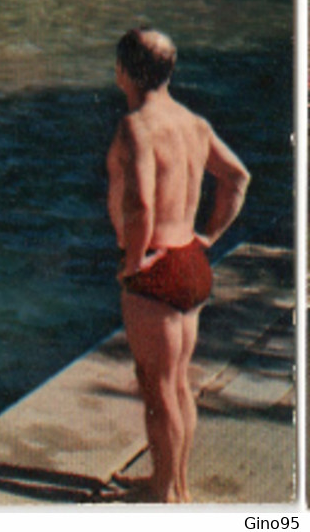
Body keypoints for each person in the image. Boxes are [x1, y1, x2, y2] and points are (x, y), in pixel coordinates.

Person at [105, 28, 250, 504]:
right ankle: (177, 483)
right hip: (190, 258)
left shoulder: (136, 127)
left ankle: (163, 496)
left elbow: (141, 204)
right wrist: (208, 236)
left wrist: (133, 263)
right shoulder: (194, 123)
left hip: (157, 268)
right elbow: (237, 178)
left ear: (124, 72)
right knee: (178, 385)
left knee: (156, 389)